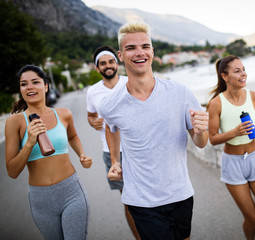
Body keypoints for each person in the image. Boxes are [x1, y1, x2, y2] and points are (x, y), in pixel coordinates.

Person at [98, 21, 209, 240]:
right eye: (131, 48)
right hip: (141, 199)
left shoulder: (180, 92)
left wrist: (201, 130)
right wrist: (114, 160)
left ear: (152, 51)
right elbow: (110, 128)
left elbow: (200, 142)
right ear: (121, 55)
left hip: (180, 193)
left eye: (145, 46)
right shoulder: (110, 104)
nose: (139, 53)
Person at [5, 65, 92, 240]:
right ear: (20, 89)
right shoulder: (15, 122)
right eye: (24, 84)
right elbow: (12, 171)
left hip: (71, 192)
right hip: (40, 199)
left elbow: (73, 136)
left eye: (35, 82)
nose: (29, 87)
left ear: (45, 86)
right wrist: (29, 142)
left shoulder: (64, 114)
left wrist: (81, 154)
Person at [206, 55, 255, 240]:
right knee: (251, 218)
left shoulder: (254, 96)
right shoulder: (216, 103)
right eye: (237, 71)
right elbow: (212, 139)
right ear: (225, 76)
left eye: (243, 69)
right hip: (233, 164)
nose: (243, 74)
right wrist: (234, 132)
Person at [86, 45, 140, 239]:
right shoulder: (93, 92)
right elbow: (91, 115)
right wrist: (94, 123)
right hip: (111, 152)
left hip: (138, 148)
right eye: (103, 63)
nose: (108, 66)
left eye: (110, 61)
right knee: (129, 199)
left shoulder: (130, 83)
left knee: (148, 194)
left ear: (116, 63)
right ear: (97, 68)